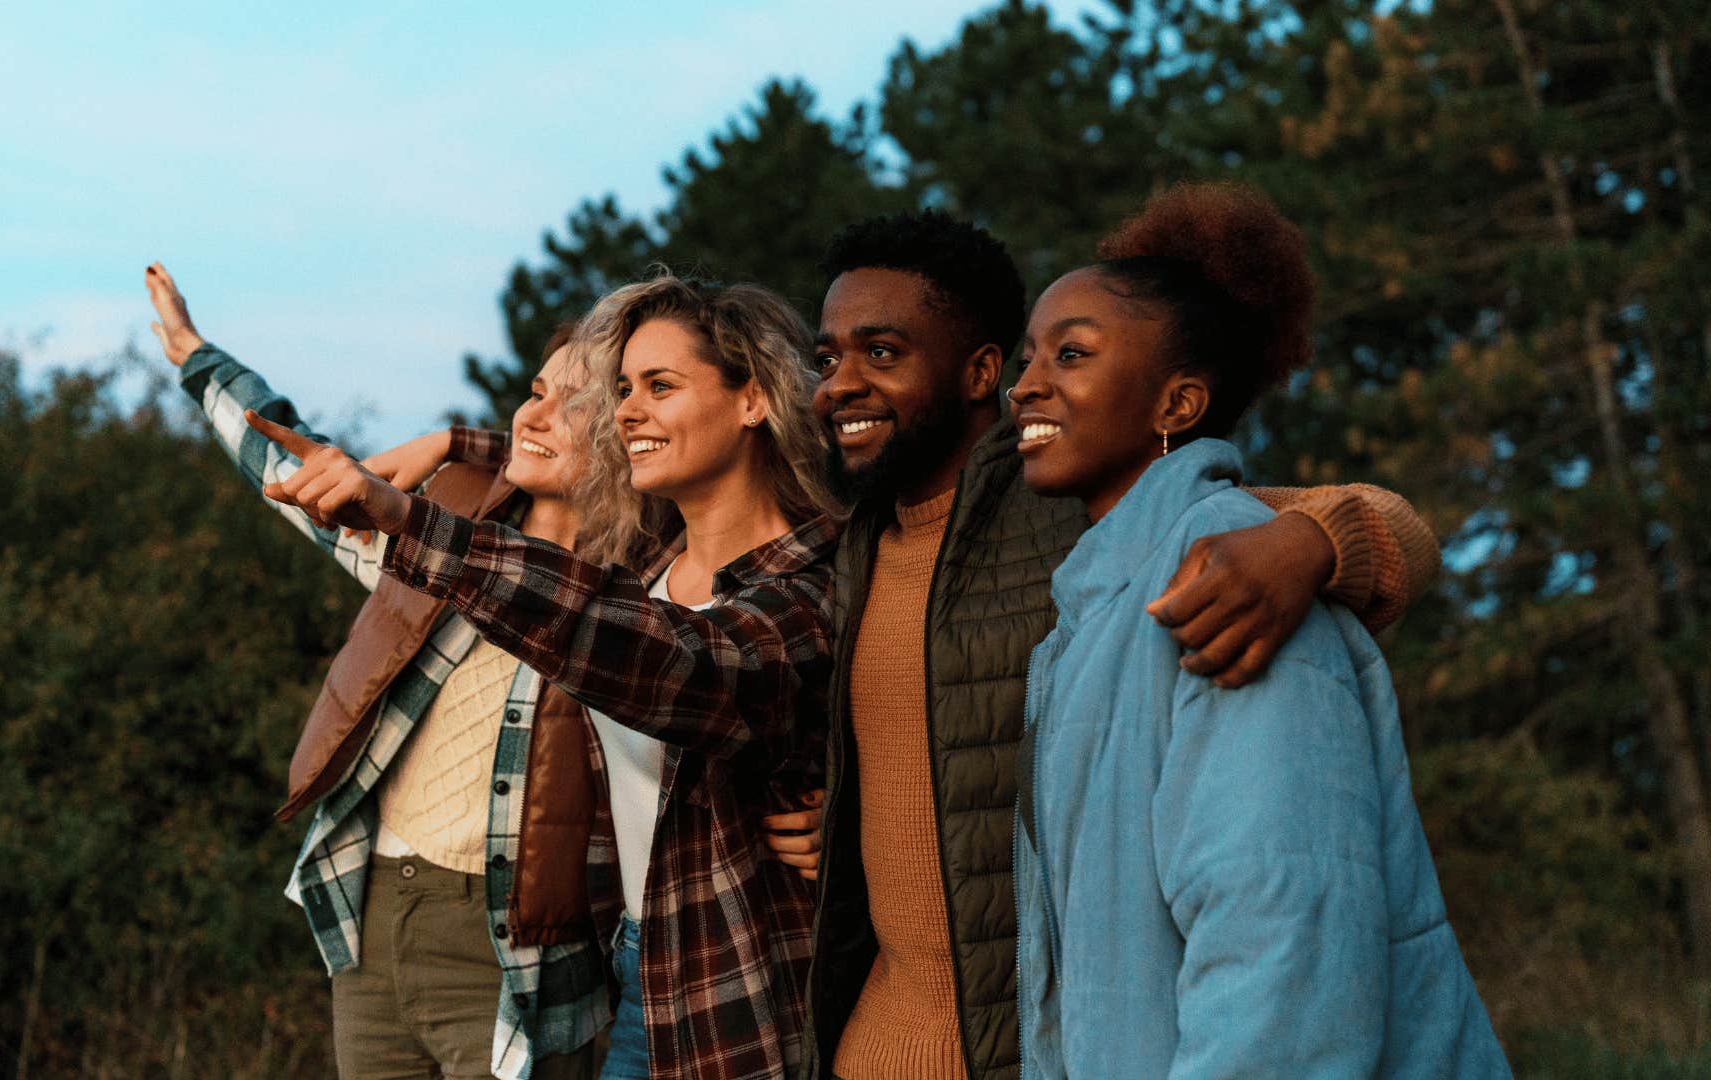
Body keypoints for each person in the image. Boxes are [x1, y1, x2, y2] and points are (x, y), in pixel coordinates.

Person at [802, 211, 1444, 1079]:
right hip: (876, 1043)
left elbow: (1382, 524)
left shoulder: (1083, 511)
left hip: (1012, 1051)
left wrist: (1312, 541)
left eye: (880, 353)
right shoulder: (848, 550)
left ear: (974, 372)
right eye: (827, 356)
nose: (841, 382)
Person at [247, 273, 838, 1080]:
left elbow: (668, 658)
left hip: (739, 993)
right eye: (622, 389)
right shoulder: (650, 564)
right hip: (627, 976)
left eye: (658, 387)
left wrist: (410, 516)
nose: (627, 410)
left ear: (754, 401)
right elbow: (563, 470)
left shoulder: (807, 589)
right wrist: (462, 444)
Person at [1006, 182, 1506, 1076]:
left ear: (1178, 405)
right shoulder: (1089, 611)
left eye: (1071, 354)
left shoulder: (1229, 573)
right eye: (1027, 355)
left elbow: (1284, 928)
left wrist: (1318, 539)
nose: (1026, 384)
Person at [146, 265, 608, 1080]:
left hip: (517, 957)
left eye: (577, 403)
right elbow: (295, 474)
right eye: (535, 390)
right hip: (373, 910)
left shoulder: (648, 591)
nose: (538, 412)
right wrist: (196, 357)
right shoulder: (443, 521)